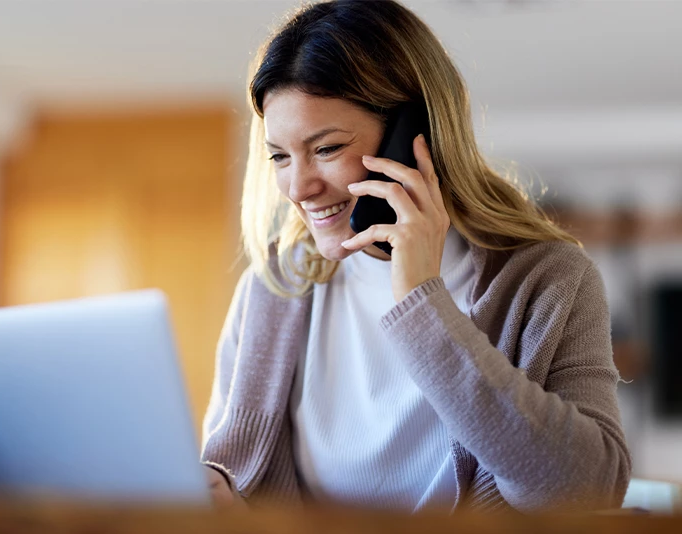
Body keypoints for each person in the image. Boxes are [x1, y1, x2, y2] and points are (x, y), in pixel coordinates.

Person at [200, 0, 631, 513]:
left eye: (327, 148)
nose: (299, 187)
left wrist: (421, 303)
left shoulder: (547, 281)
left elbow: (587, 490)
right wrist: (223, 496)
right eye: (280, 156)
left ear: (416, 134)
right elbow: (240, 480)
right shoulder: (273, 289)